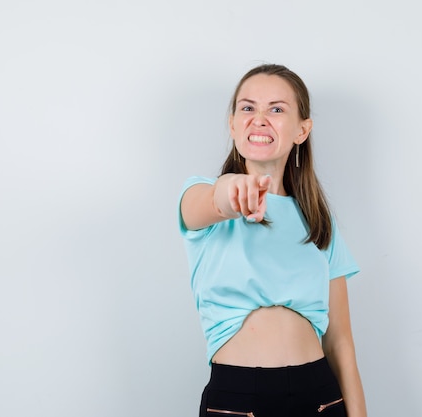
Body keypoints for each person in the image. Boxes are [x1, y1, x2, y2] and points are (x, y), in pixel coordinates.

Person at [178, 64, 367, 417]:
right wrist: (233, 191)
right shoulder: (201, 195)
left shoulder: (318, 221)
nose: (260, 118)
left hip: (320, 396)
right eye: (248, 108)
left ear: (302, 130)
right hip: (238, 398)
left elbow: (340, 342)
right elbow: (210, 203)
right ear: (233, 124)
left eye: (277, 109)